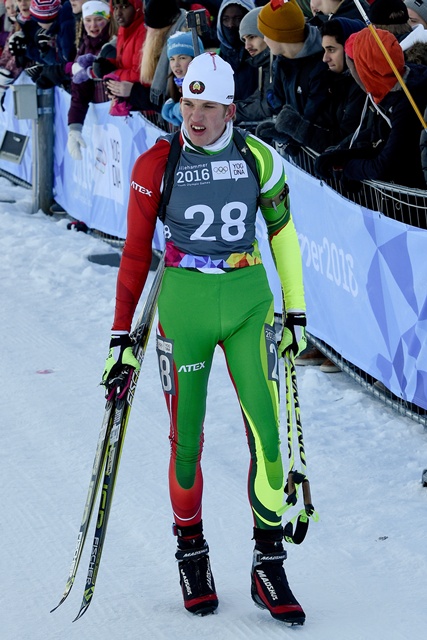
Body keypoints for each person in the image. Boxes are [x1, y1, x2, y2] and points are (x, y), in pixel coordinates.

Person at [102, 51, 308, 625]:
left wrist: (295, 312)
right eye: (188, 103)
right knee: (186, 445)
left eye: (209, 106)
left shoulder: (258, 157)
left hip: (247, 303)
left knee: (268, 441)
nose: (194, 116)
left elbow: (283, 233)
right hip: (184, 307)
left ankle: (269, 563)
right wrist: (120, 338)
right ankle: (191, 554)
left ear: (230, 111)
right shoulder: (157, 164)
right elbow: (135, 254)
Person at [315, 27, 427, 193]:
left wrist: (346, 169)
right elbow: (377, 139)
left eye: (353, 66)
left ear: (364, 69)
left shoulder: (407, 101)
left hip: (412, 199)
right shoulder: (392, 89)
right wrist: (342, 156)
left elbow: (385, 165)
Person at [255, 0, 332, 157]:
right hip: (303, 155)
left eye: (266, 34)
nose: (265, 40)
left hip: (321, 156)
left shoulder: (321, 66)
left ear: (279, 35)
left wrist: (292, 138)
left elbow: (314, 117)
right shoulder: (282, 62)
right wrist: (282, 133)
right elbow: (278, 102)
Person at [67, 0, 113, 160]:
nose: (93, 25)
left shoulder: (113, 43)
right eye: (88, 20)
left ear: (108, 19)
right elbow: (79, 90)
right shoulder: (84, 46)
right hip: (105, 121)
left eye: (98, 19)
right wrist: (74, 128)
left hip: (120, 116)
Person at [234, 5, 274, 127]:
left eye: (252, 37)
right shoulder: (264, 63)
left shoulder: (278, 63)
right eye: (244, 40)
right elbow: (259, 99)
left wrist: (230, 112)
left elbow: (267, 107)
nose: (247, 46)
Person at [160, 29, 204, 127]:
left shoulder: (203, 84)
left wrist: (176, 109)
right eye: (172, 59)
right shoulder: (175, 82)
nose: (176, 64)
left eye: (182, 58)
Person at [216, 0, 258, 100]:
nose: (231, 25)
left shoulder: (263, 56)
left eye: (238, 19)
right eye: (226, 19)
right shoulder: (216, 59)